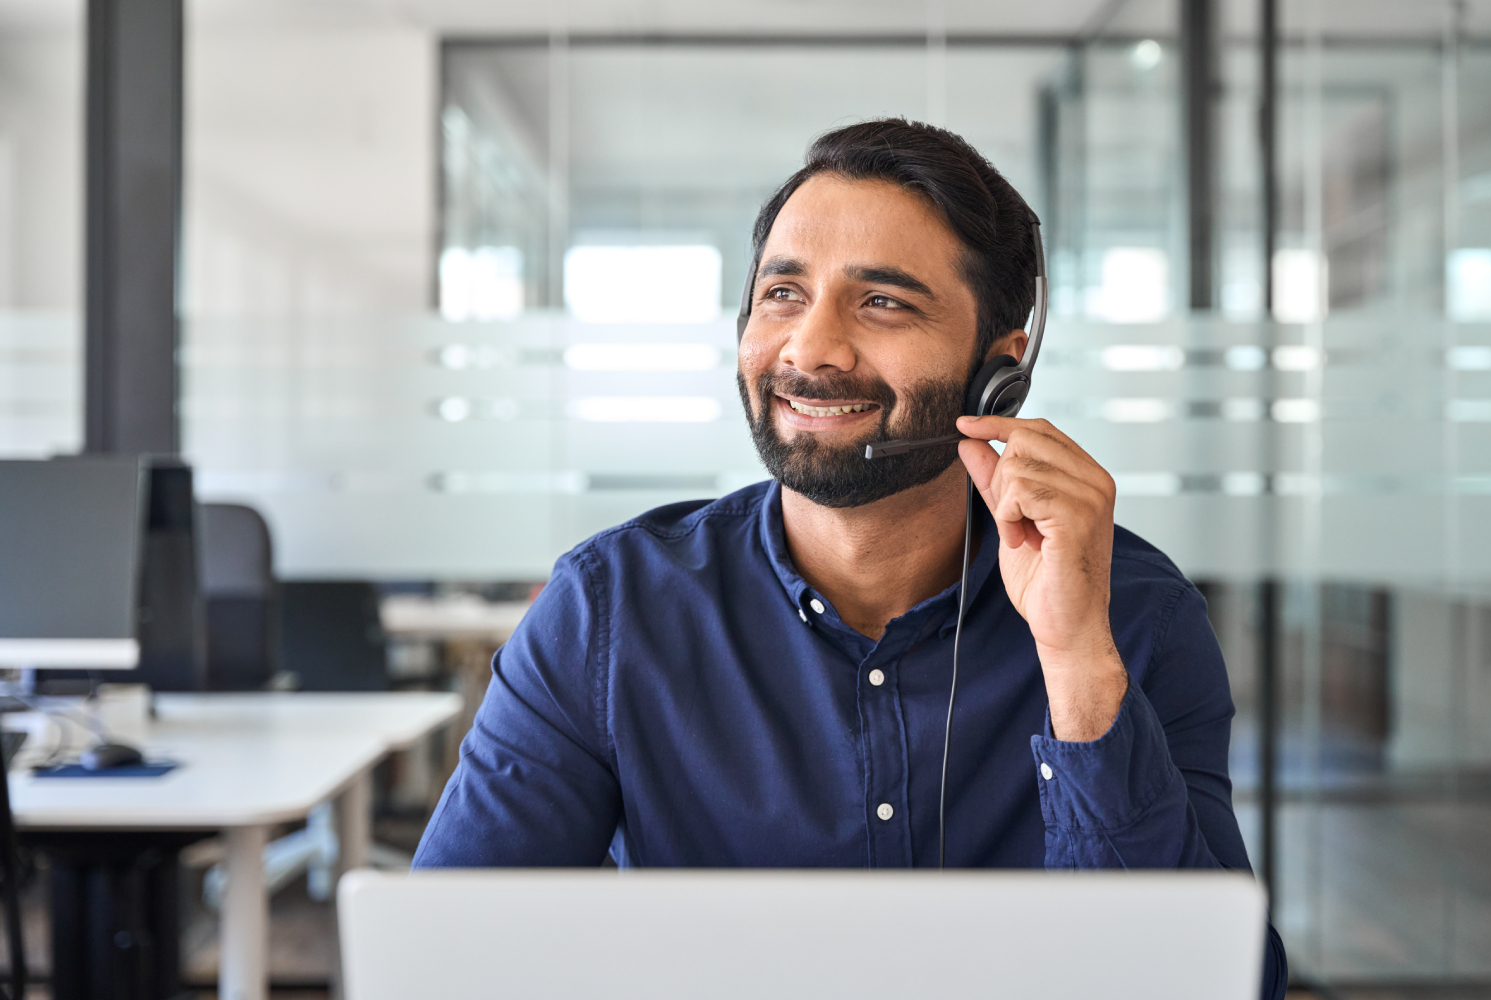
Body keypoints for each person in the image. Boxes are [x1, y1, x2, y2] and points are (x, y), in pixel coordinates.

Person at [414, 118, 1288, 998]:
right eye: (783, 295)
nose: (810, 350)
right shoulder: (611, 611)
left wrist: (1077, 668)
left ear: (1001, 370)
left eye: (884, 302)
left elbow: (1216, 983)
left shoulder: (1130, 614)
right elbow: (444, 963)